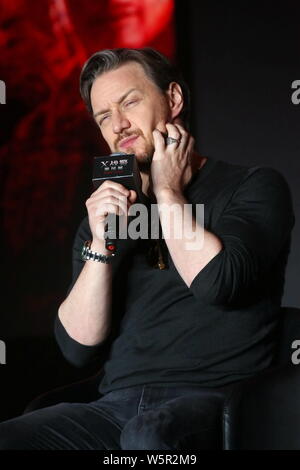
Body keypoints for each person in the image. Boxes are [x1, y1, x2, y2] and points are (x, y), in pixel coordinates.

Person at [0, 48, 295, 450]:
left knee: (148, 436)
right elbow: (76, 348)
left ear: (173, 99)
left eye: (130, 102)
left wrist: (167, 190)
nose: (118, 124)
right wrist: (101, 244)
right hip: (114, 407)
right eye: (104, 117)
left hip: (218, 401)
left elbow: (217, 284)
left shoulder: (254, 186)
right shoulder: (106, 215)